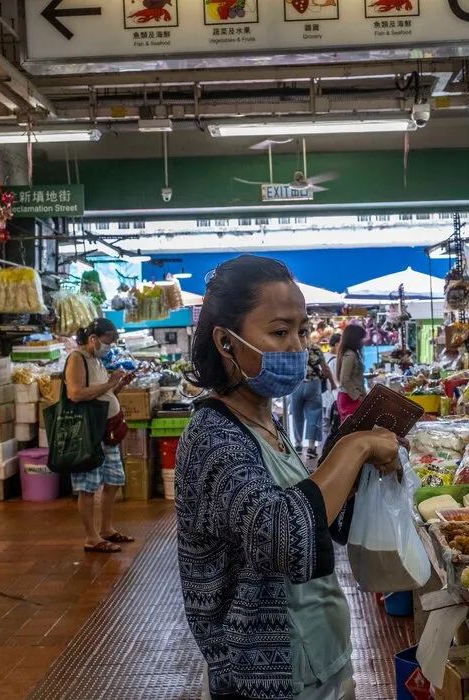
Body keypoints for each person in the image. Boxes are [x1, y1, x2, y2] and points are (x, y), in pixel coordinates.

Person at [176, 254, 400, 700]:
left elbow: (317, 516)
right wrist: (352, 449)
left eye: (301, 330)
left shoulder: (265, 422)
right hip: (267, 679)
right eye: (279, 332)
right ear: (226, 342)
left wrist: (356, 469)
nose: (298, 346)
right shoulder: (213, 436)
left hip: (320, 659)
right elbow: (281, 534)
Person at [65, 318, 136, 554]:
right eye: (108, 341)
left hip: (107, 431)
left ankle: (106, 529)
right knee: (88, 486)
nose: (110, 346)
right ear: (93, 338)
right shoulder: (78, 358)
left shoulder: (96, 360)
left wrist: (119, 385)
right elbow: (76, 394)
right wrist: (109, 384)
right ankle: (91, 537)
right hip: (90, 432)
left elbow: (101, 392)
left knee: (114, 480)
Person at [290, 342, 334, 459]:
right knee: (314, 415)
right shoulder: (315, 348)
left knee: (297, 415)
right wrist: (333, 383)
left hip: (296, 384)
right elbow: (325, 368)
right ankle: (311, 447)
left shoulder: (293, 346)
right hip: (313, 384)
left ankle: (298, 445)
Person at [336, 324, 368, 422]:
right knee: (354, 431)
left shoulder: (350, 354)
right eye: (362, 339)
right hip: (349, 398)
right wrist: (357, 396)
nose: (363, 342)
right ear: (355, 339)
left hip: (349, 397)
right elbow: (345, 379)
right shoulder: (350, 355)